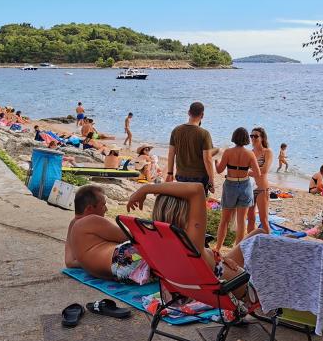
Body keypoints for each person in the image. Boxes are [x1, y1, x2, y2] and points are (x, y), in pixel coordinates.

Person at [125, 181, 253, 304]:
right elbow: (197, 189)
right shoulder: (192, 244)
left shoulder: (155, 241)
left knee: (254, 237)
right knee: (258, 235)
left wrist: (220, 258)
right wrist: (146, 189)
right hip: (243, 289)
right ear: (186, 212)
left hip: (195, 286)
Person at [214, 127, 263, 253]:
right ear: (246, 139)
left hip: (230, 185)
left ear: (234, 137)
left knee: (224, 220)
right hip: (245, 186)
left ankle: (218, 248)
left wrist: (216, 162)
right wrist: (245, 171)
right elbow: (257, 173)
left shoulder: (228, 152)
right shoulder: (250, 154)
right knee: (241, 221)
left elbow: (219, 170)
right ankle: (236, 250)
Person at [65, 185, 129, 281]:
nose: (106, 209)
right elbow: (129, 237)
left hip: (113, 271)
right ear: (89, 208)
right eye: (103, 205)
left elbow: (69, 262)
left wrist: (89, 263)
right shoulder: (92, 220)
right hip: (122, 261)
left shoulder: (73, 224)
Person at [166, 101, 215, 194]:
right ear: (202, 115)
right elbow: (208, 159)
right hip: (199, 177)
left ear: (188, 112)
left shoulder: (176, 130)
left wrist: (170, 173)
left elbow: (171, 154)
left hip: (181, 175)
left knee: (183, 201)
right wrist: (211, 179)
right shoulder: (204, 133)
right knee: (198, 202)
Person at [245, 127, 274, 237]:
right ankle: (251, 241)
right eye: (251, 136)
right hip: (250, 188)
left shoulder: (267, 152)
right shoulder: (250, 153)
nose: (253, 138)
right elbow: (246, 169)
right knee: (250, 218)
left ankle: (268, 241)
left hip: (262, 189)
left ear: (262, 138)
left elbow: (265, 170)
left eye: (256, 136)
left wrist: (249, 172)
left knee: (263, 219)